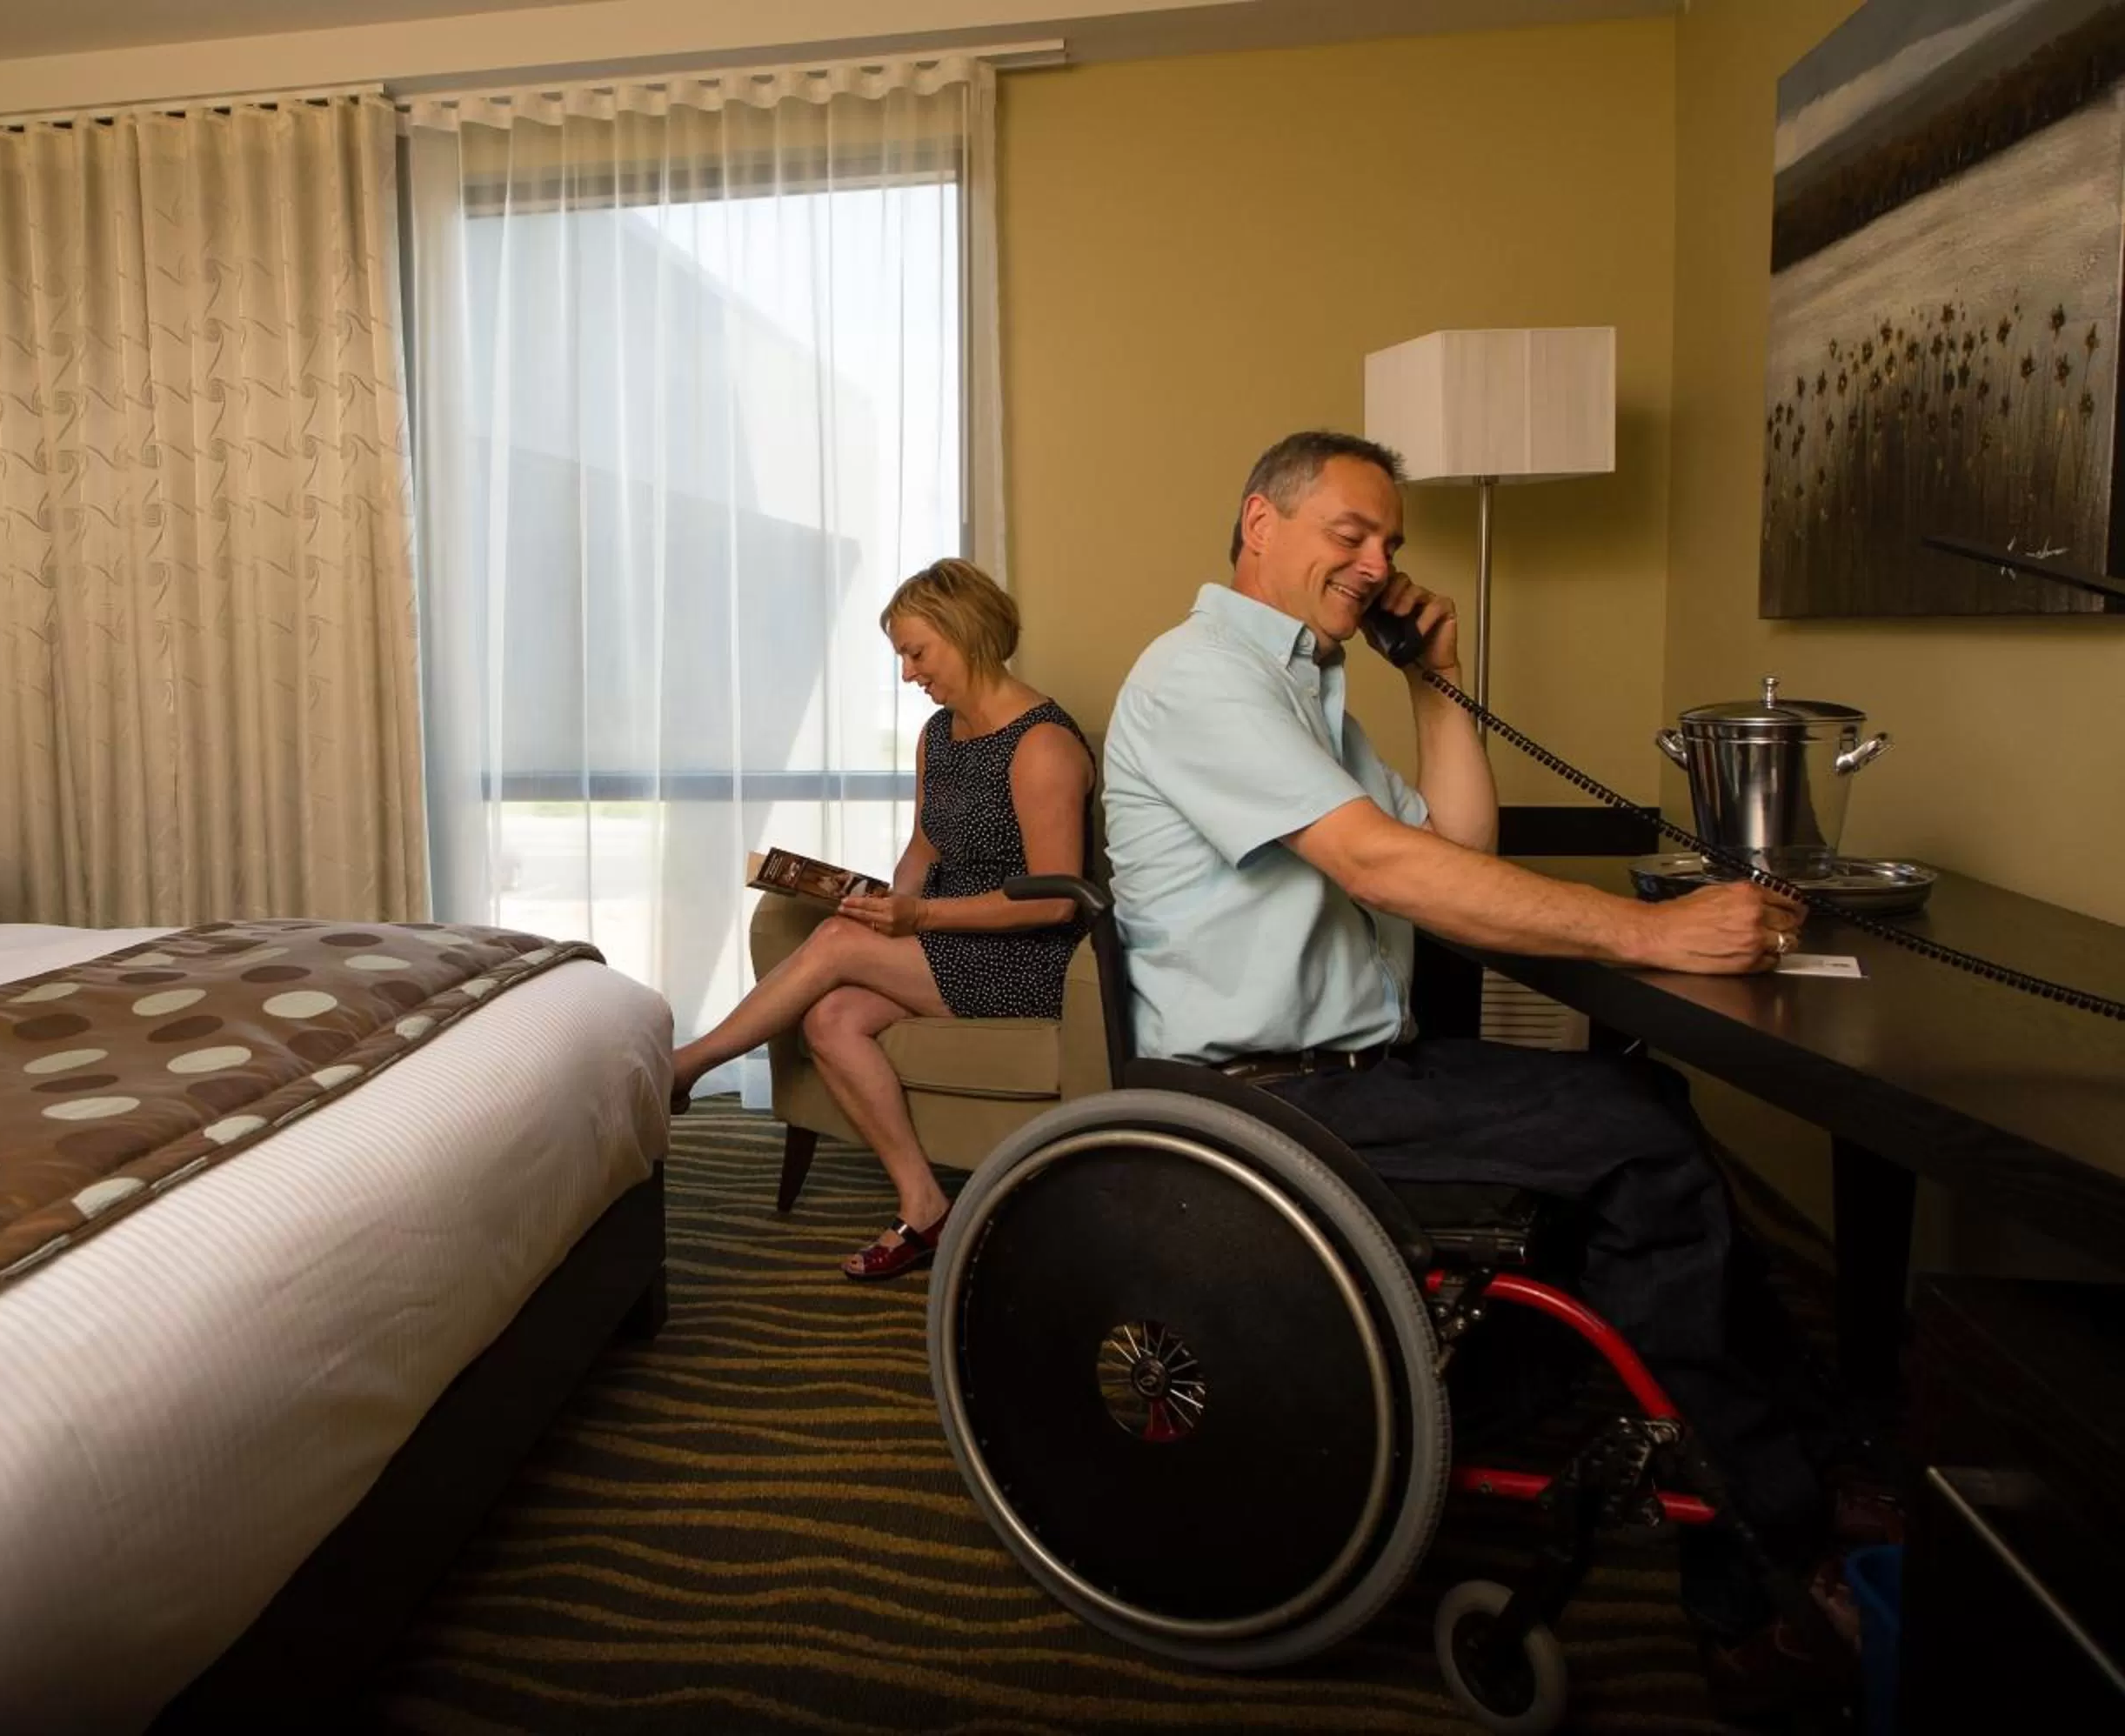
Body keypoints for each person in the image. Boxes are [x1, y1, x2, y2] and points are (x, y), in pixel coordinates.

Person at [1103, 431, 1869, 1714]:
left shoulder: (1302, 689)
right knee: (1639, 1141)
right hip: (1264, 1102)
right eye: (1351, 532)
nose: (1377, 560)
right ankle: (1755, 1584)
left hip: (1353, 1072)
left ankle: (1784, 1450)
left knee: (1645, 1113)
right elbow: (1385, 869)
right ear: (1260, 525)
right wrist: (1651, 931)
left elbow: (1455, 839)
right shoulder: (1197, 679)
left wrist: (1438, 677)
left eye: (1391, 543)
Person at [672, 558, 1094, 1279]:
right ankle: (925, 1206)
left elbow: (1056, 899)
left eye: (916, 652)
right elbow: (924, 847)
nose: (908, 673)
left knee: (837, 944)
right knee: (828, 1017)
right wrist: (883, 902)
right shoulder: (941, 734)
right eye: (902, 655)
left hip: (1027, 959)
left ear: (967, 634)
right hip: (950, 943)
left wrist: (915, 916)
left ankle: (684, 1066)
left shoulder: (1041, 745)